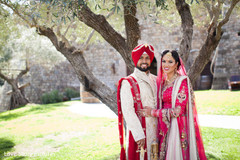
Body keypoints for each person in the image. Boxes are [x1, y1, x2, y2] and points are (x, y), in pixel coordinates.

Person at [139, 50, 207, 160]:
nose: (166, 65)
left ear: (177, 64)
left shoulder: (182, 81)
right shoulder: (163, 82)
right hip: (164, 125)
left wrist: (152, 112)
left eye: (170, 62)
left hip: (177, 126)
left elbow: (178, 111)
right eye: (164, 61)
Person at [117, 44, 158, 160]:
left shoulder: (156, 79)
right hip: (140, 133)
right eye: (141, 58)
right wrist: (139, 134)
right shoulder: (128, 82)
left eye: (147, 58)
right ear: (135, 60)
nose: (144, 61)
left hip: (157, 131)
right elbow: (127, 110)